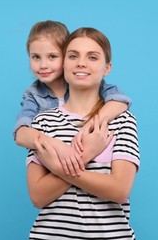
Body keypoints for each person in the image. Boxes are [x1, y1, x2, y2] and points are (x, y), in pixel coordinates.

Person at [26, 27, 140, 239]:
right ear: (63, 64)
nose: (81, 63)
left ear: (107, 68)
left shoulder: (122, 120)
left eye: (93, 57)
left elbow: (119, 190)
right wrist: (86, 154)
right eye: (73, 56)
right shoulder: (43, 123)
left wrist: (59, 167)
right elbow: (38, 196)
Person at [13, 20, 132, 176]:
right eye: (36, 57)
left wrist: (90, 125)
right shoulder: (34, 94)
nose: (43, 65)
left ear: (66, 57)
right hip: (51, 166)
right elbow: (20, 133)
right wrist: (53, 143)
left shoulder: (82, 83)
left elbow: (120, 101)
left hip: (90, 162)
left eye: (52, 57)